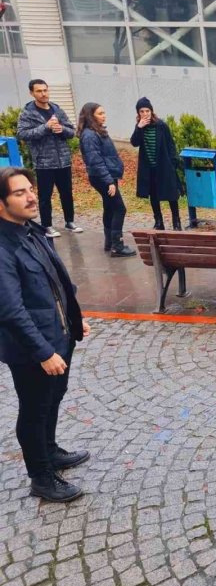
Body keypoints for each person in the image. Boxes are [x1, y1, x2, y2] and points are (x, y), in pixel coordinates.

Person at [0, 167, 91, 502]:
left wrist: (74, 317)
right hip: (32, 350)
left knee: (53, 398)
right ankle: (41, 476)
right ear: (1, 203)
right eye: (19, 193)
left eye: (30, 189)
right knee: (34, 409)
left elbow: (56, 279)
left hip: (59, 336)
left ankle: (50, 450)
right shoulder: (3, 247)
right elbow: (10, 311)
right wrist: (42, 353)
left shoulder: (30, 231)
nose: (31, 196)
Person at [15, 79, 82, 238]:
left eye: (45, 90)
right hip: (44, 162)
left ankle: (70, 221)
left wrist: (61, 129)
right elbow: (22, 134)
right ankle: (47, 226)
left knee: (66, 193)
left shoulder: (56, 110)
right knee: (45, 196)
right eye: (39, 91)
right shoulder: (27, 113)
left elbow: (72, 131)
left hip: (63, 160)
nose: (43, 94)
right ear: (32, 93)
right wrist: (45, 127)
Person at [76, 103, 136, 257]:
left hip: (106, 175)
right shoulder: (90, 135)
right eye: (100, 113)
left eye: (104, 112)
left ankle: (109, 242)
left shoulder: (97, 131)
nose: (104, 116)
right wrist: (109, 181)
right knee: (119, 208)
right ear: (91, 116)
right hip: (102, 177)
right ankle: (117, 245)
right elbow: (95, 161)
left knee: (110, 207)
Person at [130, 97, 183, 230]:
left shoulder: (161, 125)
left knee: (171, 194)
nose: (145, 114)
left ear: (151, 111)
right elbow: (134, 142)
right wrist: (139, 128)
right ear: (138, 113)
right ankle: (158, 221)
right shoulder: (140, 127)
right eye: (141, 111)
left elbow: (171, 145)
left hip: (164, 166)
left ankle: (176, 222)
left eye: (147, 110)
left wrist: (173, 163)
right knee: (153, 195)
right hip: (149, 167)